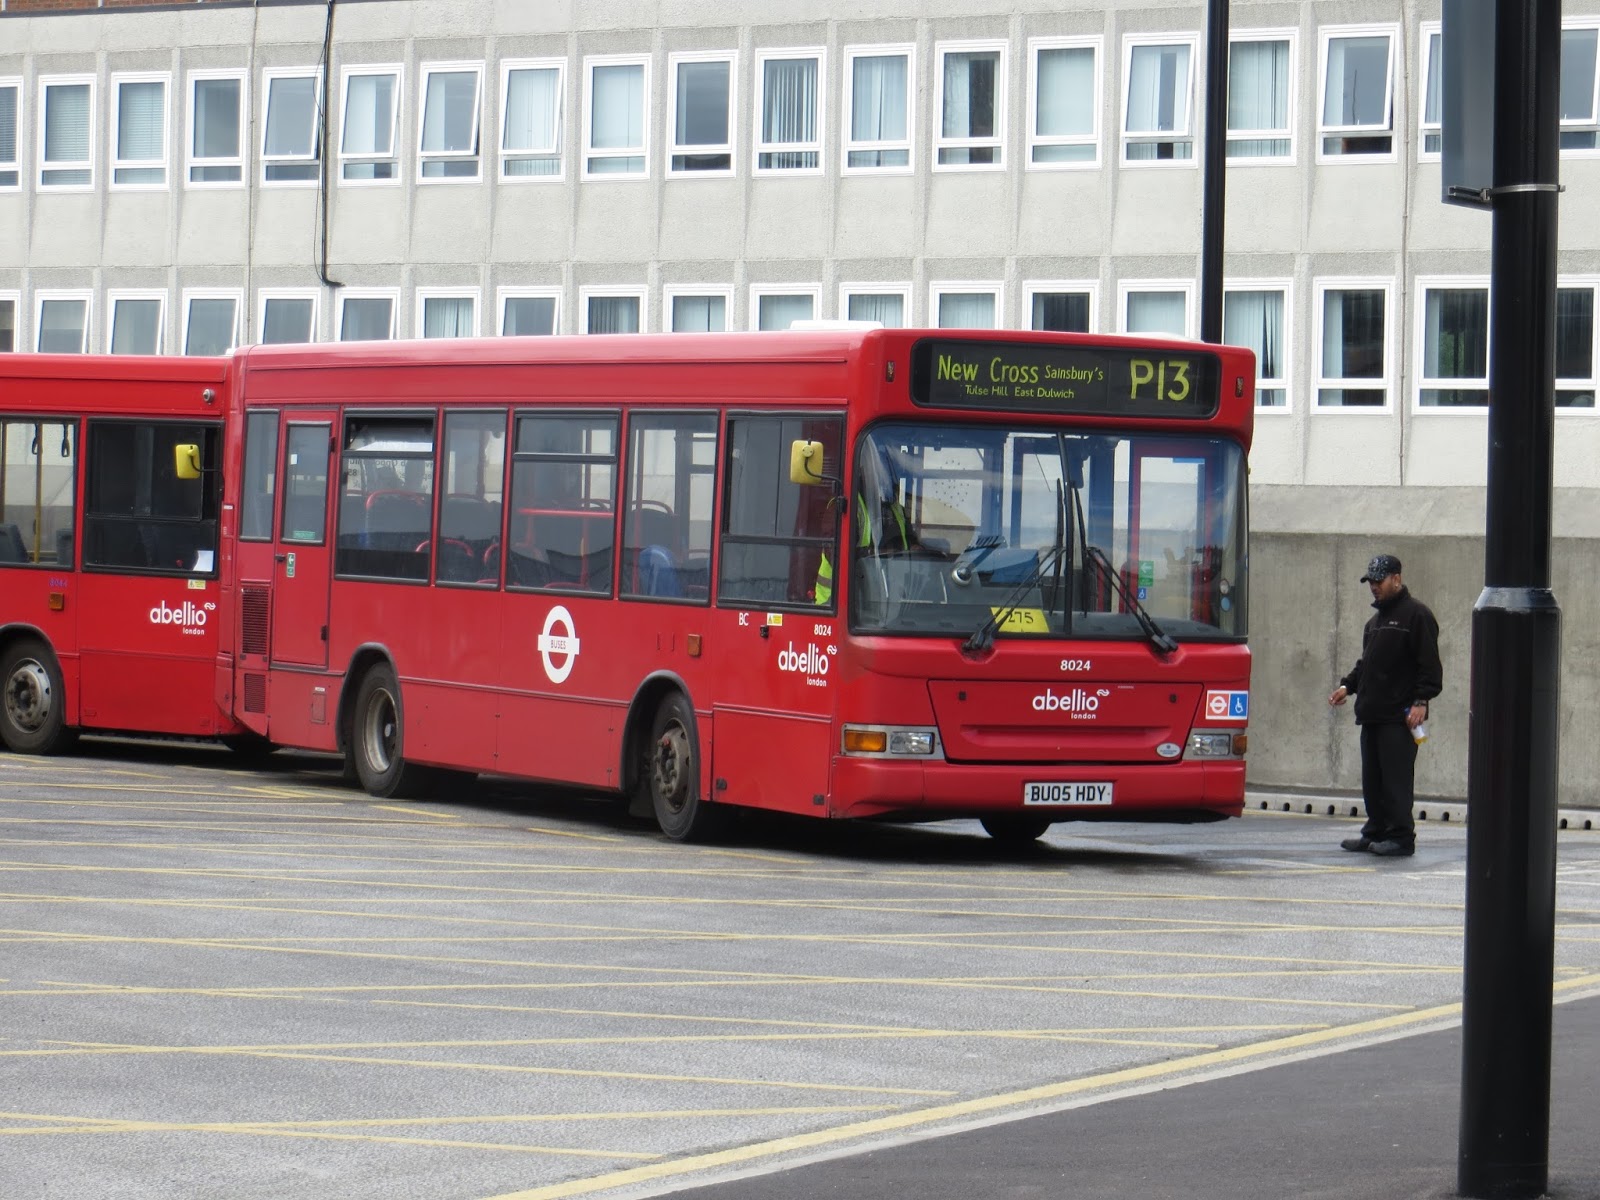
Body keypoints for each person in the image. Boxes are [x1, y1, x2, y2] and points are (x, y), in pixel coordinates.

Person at [1327, 554, 1443, 857]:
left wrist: (1421, 701)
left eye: (1379, 581)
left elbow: (1429, 665)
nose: (1374, 586)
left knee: (1396, 781)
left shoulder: (1417, 616)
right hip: (1373, 715)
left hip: (1399, 717)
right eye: (1371, 581)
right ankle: (1375, 832)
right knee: (1374, 781)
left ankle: (1401, 838)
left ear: (1396, 579)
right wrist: (1347, 686)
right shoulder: (1374, 623)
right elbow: (1366, 664)